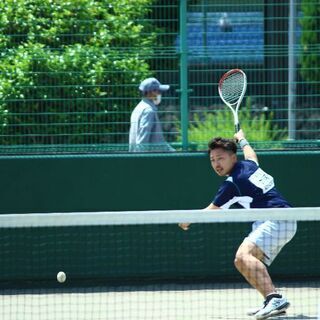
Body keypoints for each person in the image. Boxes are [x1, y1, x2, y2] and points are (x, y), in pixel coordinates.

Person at [180, 129, 297, 320]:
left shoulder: (232, 183)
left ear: (233, 157)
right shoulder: (248, 166)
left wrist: (188, 219)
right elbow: (251, 155)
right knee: (246, 261)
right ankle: (272, 301)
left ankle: (274, 298)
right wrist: (242, 139)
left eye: (220, 158)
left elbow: (212, 210)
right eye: (212, 160)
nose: (216, 164)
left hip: (276, 219)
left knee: (243, 257)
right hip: (285, 220)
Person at [129, 77, 175, 152]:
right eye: (159, 91)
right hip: (151, 159)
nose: (160, 94)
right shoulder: (149, 111)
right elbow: (142, 140)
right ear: (151, 92)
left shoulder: (138, 108)